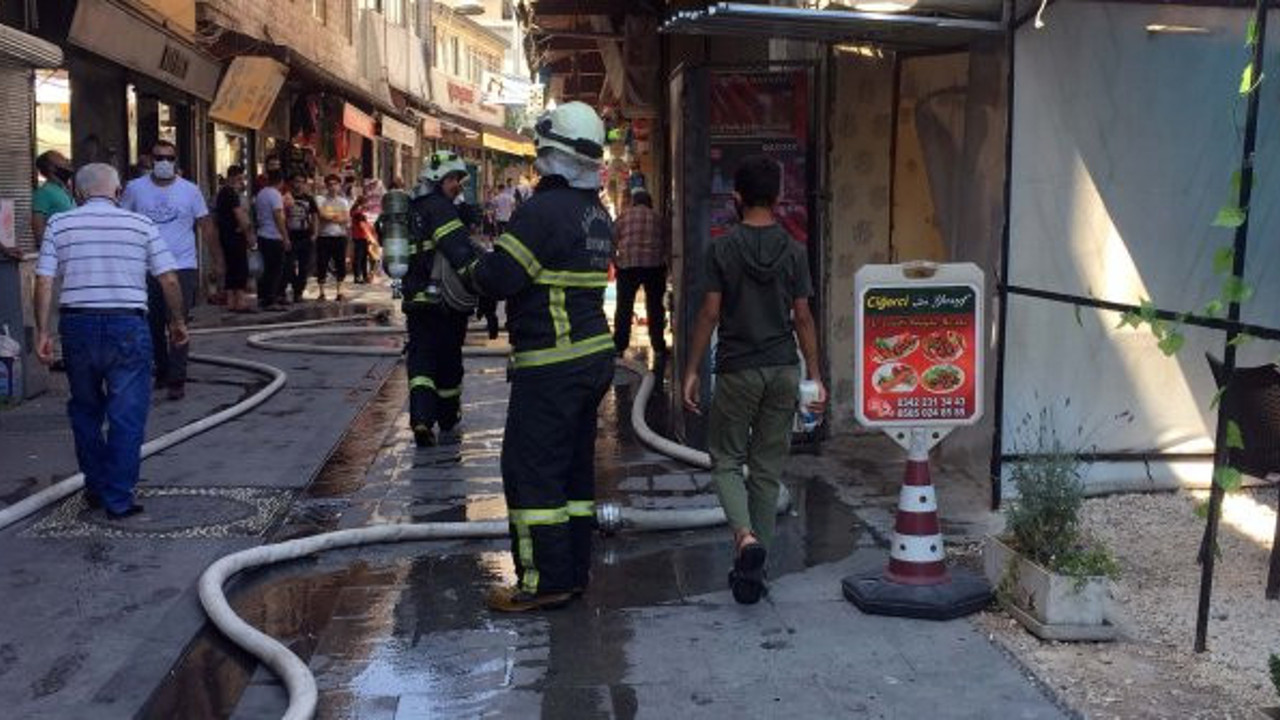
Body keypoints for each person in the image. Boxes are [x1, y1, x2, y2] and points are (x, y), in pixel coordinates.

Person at [469, 102, 615, 613]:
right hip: (591, 356)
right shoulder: (598, 214)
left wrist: (468, 264)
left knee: (530, 471)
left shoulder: (543, 212)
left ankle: (542, 581)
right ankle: (572, 573)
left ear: (550, 153)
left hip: (552, 362)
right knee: (572, 473)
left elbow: (500, 277)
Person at [681, 155, 827, 605]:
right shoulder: (794, 250)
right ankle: (753, 572)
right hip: (783, 368)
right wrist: (815, 376)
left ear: (737, 197)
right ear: (778, 197)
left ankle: (744, 538)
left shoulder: (722, 248)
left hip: (738, 368)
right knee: (766, 470)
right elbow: (803, 317)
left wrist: (691, 368)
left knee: (726, 459)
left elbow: (710, 312)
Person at [33, 163, 189, 519]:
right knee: (127, 414)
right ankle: (119, 498)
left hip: (77, 326)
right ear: (118, 192)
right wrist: (177, 322)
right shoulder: (141, 224)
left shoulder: (59, 224)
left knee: (85, 410)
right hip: (127, 326)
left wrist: (43, 331)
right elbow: (168, 278)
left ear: (77, 192)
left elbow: (43, 280)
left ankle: (95, 486)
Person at [121, 139, 217, 401]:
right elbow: (123, 221)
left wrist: (217, 260)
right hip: (146, 267)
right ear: (150, 160)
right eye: (159, 157)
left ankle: (177, 377)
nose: (164, 162)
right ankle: (162, 370)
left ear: (176, 161)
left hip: (181, 266)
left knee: (178, 320)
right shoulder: (134, 189)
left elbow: (206, 225)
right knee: (151, 323)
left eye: (169, 158)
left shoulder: (190, 190)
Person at [402, 150, 478, 448]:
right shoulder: (441, 209)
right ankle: (446, 417)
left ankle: (421, 419)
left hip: (415, 299)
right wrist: (483, 284)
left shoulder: (411, 207)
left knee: (421, 358)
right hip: (443, 301)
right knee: (448, 359)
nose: (458, 185)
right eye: (453, 179)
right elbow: (460, 253)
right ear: (438, 179)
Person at [612, 190, 668, 361]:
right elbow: (667, 242)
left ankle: (619, 346)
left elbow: (611, 240)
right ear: (650, 203)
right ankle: (658, 346)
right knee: (655, 307)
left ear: (633, 202)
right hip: (654, 267)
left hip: (627, 266)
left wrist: (616, 262)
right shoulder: (658, 218)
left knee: (624, 307)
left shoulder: (623, 217)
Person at [215, 166, 254, 312]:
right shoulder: (231, 193)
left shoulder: (221, 194)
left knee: (231, 268)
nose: (241, 182)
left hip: (225, 235)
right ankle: (240, 301)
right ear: (232, 178)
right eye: (239, 178)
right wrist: (248, 234)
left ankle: (231, 301)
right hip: (235, 236)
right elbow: (239, 215)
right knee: (240, 268)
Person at [253, 170, 290, 310]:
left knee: (265, 269)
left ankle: (263, 297)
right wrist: (285, 237)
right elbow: (278, 216)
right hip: (273, 236)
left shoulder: (261, 193)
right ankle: (271, 299)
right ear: (281, 182)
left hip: (262, 234)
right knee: (275, 269)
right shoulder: (275, 194)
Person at [315, 174, 352, 301]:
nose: (332, 187)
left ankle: (339, 292)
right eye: (330, 184)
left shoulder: (343, 201)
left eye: (335, 184)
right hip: (324, 236)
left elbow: (346, 218)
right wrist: (337, 216)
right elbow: (322, 215)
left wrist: (331, 217)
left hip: (339, 236)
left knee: (340, 264)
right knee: (322, 264)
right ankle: (321, 292)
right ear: (326, 186)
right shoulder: (320, 199)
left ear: (339, 185)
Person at [30, 150, 75, 247]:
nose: (67, 160)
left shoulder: (65, 191)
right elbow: (38, 230)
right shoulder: (43, 193)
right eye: (61, 158)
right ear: (51, 167)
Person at [284, 173, 318, 302]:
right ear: (292, 183)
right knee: (289, 265)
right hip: (291, 236)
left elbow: (315, 216)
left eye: (301, 182)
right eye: (296, 181)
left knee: (305, 266)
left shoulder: (309, 199)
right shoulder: (287, 198)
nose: (298, 184)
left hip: (305, 235)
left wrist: (315, 233)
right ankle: (294, 286)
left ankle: (299, 292)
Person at [350, 194, 375, 284]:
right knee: (359, 257)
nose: (367, 204)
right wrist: (370, 237)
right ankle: (358, 277)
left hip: (362, 237)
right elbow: (363, 225)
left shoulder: (359, 211)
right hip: (360, 237)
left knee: (363, 257)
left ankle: (364, 276)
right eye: (366, 202)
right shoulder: (358, 212)